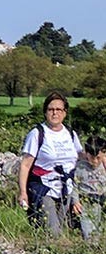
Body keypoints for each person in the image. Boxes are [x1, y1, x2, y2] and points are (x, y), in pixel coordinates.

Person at [18, 91, 83, 237]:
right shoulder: (37, 133)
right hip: (44, 188)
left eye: (59, 109)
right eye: (51, 109)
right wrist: (23, 192)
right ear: (45, 112)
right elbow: (25, 165)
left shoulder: (71, 134)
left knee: (62, 230)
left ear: (65, 112)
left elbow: (81, 159)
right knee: (53, 231)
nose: (55, 113)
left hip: (67, 188)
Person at [74, 136, 106, 239]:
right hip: (87, 200)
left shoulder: (104, 166)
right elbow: (74, 185)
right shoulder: (80, 167)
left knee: (99, 227)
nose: (95, 161)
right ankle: (89, 246)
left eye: (98, 158)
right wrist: (75, 201)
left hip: (102, 200)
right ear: (86, 154)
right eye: (92, 158)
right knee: (88, 228)